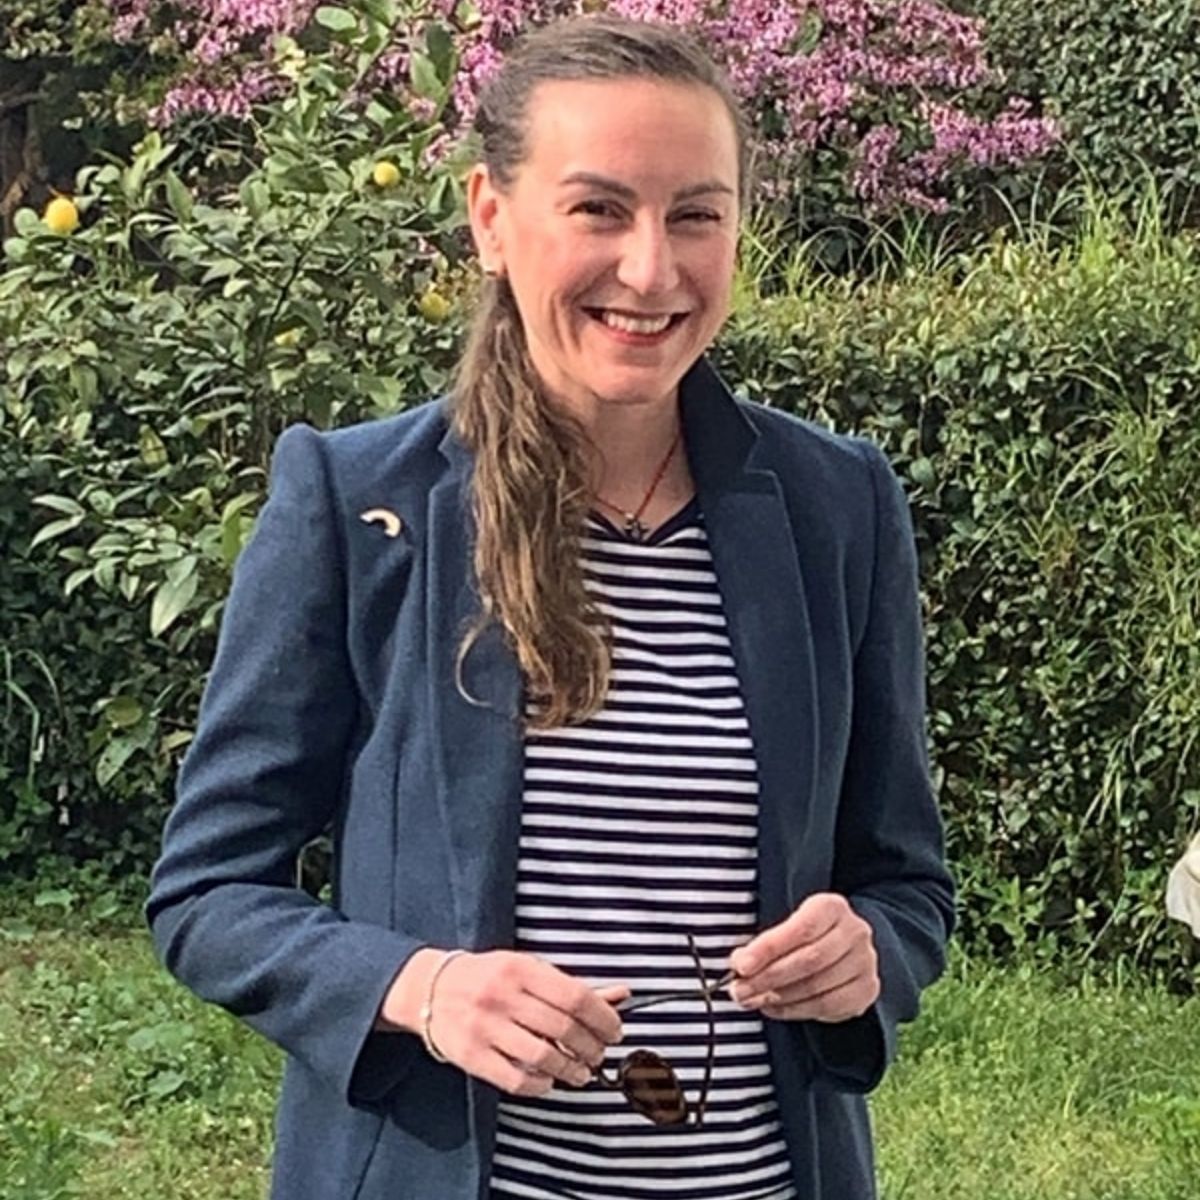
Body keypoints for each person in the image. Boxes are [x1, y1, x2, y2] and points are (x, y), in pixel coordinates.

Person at [147, 14, 954, 1200]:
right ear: (491, 217)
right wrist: (422, 989)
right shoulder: (360, 506)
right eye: (599, 210)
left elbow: (908, 886)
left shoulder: (837, 506)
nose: (651, 269)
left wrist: (868, 953)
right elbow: (208, 893)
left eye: (696, 215)